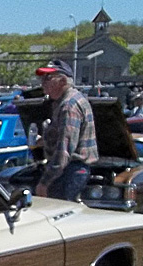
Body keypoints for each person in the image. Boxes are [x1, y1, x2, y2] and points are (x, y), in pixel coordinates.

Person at [33, 59, 98, 202]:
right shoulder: (67, 101)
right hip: (70, 170)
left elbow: (65, 150)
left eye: (48, 78)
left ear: (62, 81)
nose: (42, 82)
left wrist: (45, 182)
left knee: (58, 215)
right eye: (42, 78)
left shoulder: (68, 106)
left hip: (70, 171)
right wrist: (45, 140)